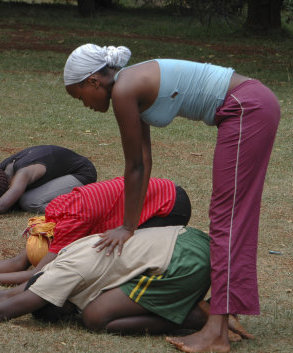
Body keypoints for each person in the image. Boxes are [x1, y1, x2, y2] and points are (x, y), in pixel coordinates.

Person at [63, 44, 280, 352]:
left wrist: (126, 228)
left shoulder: (124, 88)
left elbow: (135, 166)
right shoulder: (129, 84)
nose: (83, 103)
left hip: (247, 109)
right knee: (231, 216)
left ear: (93, 82)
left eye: (79, 95)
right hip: (249, 106)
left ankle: (216, 332)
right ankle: (221, 314)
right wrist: (132, 224)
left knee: (228, 218)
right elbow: (145, 160)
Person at [0, 226, 212, 333]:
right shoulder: (54, 265)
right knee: (96, 309)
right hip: (185, 240)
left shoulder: (63, 276)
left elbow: (3, 310)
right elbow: (11, 294)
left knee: (96, 317)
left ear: (60, 303)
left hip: (182, 262)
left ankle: (199, 317)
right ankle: (188, 307)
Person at [0, 176, 191, 286]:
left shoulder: (71, 221)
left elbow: (38, 274)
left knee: (114, 261)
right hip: (161, 190)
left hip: (168, 207)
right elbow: (21, 261)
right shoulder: (56, 209)